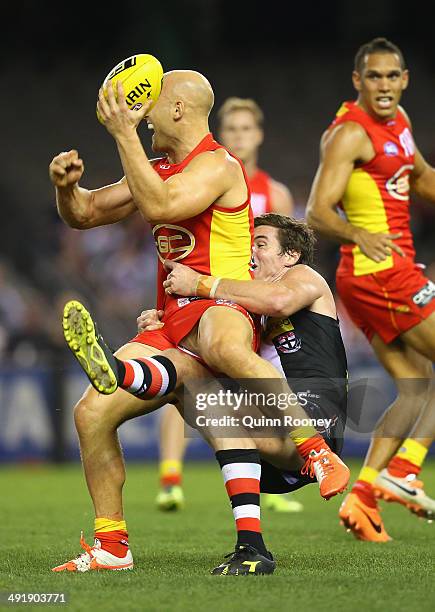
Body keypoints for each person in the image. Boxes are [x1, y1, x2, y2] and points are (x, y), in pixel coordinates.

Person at [49, 70, 348, 573]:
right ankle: (112, 545)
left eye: (151, 106)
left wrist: (122, 134)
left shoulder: (217, 164)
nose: (142, 117)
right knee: (90, 414)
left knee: (220, 351)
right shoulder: (158, 166)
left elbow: (163, 205)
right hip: (170, 317)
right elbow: (86, 213)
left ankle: (314, 449)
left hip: (222, 306)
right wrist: (66, 189)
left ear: (180, 111)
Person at [64, 214, 349, 575]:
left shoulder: (301, 277)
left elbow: (277, 300)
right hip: (263, 443)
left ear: (290, 255)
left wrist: (200, 282)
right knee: (185, 373)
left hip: (313, 420)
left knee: (204, 381)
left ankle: (316, 456)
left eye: (261, 244)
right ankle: (124, 375)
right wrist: (167, 324)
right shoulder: (242, 301)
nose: (251, 252)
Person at [305, 37, 435, 542]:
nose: (384, 85)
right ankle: (403, 472)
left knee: (415, 385)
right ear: (358, 81)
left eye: (392, 76)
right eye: (374, 77)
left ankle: (362, 499)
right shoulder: (349, 134)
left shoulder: (398, 125)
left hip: (384, 273)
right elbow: (317, 210)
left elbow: (421, 178)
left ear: (405, 80)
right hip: (378, 271)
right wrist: (358, 233)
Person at [156, 97, 296, 513]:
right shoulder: (205, 177)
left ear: (259, 136)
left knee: (254, 395)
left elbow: (291, 257)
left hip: (259, 304)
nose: (238, 136)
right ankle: (170, 478)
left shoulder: (276, 194)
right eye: (231, 129)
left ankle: (274, 479)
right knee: (188, 377)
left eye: (245, 129)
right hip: (215, 298)